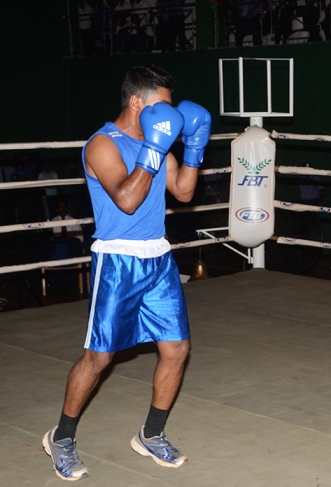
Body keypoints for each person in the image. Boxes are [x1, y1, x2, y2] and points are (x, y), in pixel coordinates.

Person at [42, 64, 211, 481]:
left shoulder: (160, 142)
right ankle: (61, 437)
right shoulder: (103, 145)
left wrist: (194, 146)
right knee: (99, 357)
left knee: (177, 349)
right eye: (162, 104)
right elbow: (127, 201)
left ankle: (151, 434)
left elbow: (184, 191)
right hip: (118, 260)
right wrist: (154, 148)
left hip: (158, 256)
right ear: (137, 102)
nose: (170, 114)